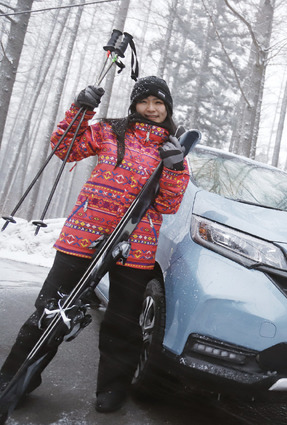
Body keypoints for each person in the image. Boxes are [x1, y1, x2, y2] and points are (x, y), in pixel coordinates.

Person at [0, 76, 190, 414]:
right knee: (50, 310)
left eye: (158, 103)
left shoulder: (174, 149)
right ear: (134, 105)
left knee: (122, 321)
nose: (151, 108)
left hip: (136, 244)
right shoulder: (109, 131)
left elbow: (169, 205)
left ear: (168, 108)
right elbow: (64, 148)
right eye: (144, 101)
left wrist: (174, 169)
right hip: (83, 235)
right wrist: (80, 109)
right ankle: (16, 378)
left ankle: (112, 389)